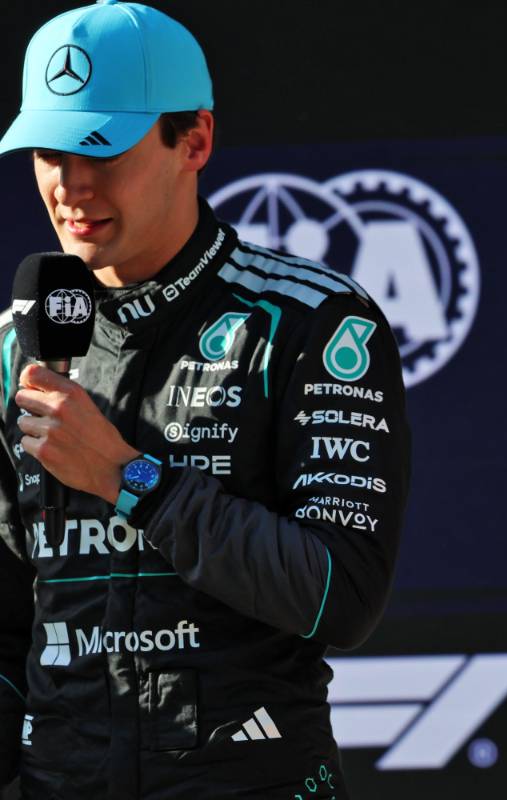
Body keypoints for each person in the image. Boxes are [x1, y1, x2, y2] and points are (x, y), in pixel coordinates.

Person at [0, 2, 409, 797]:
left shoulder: (310, 322)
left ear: (194, 141)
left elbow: (342, 594)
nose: (70, 185)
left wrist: (130, 479)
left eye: (101, 148)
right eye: (49, 152)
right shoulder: (15, 347)